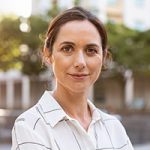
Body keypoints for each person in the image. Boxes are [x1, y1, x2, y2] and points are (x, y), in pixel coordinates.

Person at [11, 6, 134, 150]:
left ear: (104, 56)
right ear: (48, 54)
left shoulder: (114, 127)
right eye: (67, 48)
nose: (80, 62)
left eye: (91, 50)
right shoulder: (30, 126)